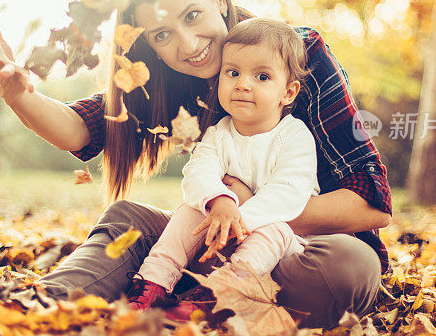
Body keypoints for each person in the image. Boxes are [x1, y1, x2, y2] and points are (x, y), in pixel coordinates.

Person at [0, 0, 392, 328]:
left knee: (339, 272)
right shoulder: (165, 80)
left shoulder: (296, 56)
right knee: (127, 220)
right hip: (214, 236)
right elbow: (84, 127)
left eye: (192, 16)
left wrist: (245, 208)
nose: (188, 46)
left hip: (311, 247)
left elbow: (373, 203)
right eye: (163, 35)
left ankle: (205, 307)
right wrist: (20, 96)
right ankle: (29, 307)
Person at [127, 18, 320, 320]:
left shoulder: (294, 137)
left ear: (289, 92)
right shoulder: (219, 133)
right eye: (233, 73)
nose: (243, 84)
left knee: (276, 231)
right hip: (219, 229)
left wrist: (238, 218)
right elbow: (197, 172)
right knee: (188, 212)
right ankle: (152, 283)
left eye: (262, 77)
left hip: (275, 243)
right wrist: (220, 201)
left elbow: (289, 192)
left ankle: (215, 297)